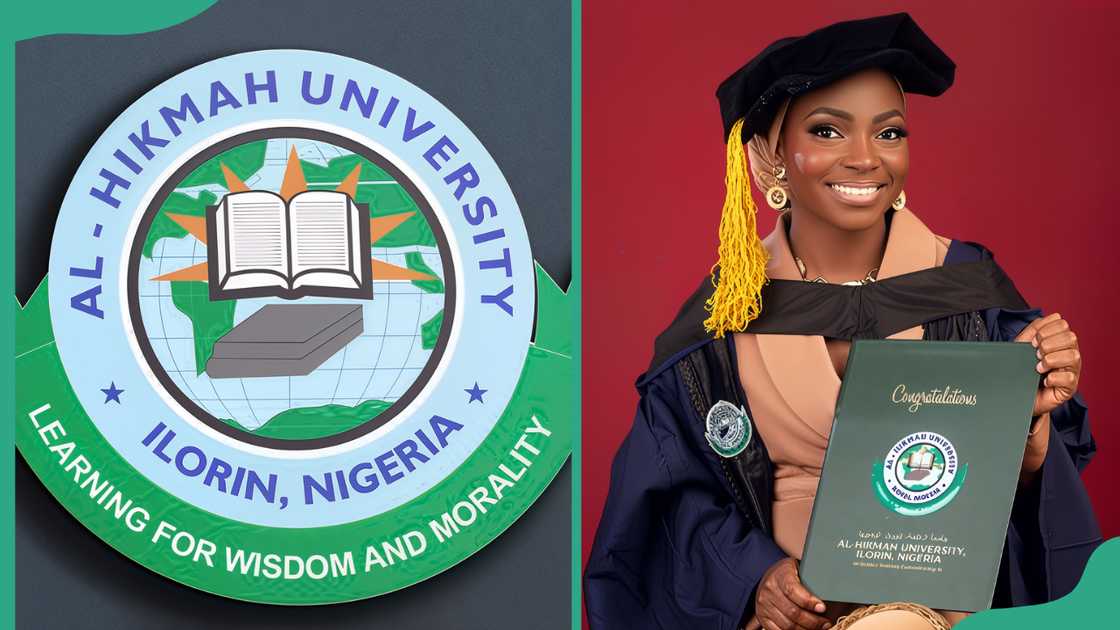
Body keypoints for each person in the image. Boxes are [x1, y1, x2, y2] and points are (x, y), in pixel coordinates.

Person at [584, 13, 1100, 630]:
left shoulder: (968, 291)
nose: (864, 159)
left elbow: (1038, 496)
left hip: (944, 604)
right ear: (770, 156)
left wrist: (1031, 425)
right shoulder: (722, 320)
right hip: (790, 612)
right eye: (828, 131)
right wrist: (755, 579)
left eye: (889, 133)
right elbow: (668, 498)